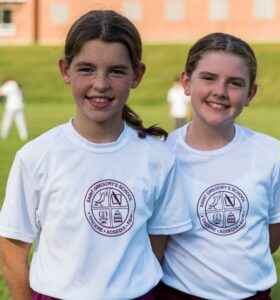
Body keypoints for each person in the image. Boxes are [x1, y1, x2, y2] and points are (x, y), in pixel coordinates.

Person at [0, 10, 192, 300]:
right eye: (86, 69)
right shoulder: (37, 156)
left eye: (116, 71)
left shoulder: (158, 158)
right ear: (66, 70)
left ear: (137, 75)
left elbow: (157, 244)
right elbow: (12, 249)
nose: (100, 84)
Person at [157, 33, 280, 300]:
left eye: (235, 83)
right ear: (187, 82)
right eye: (208, 78)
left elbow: (272, 237)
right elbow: (157, 244)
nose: (220, 92)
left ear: (250, 93)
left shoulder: (270, 153)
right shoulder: (163, 155)